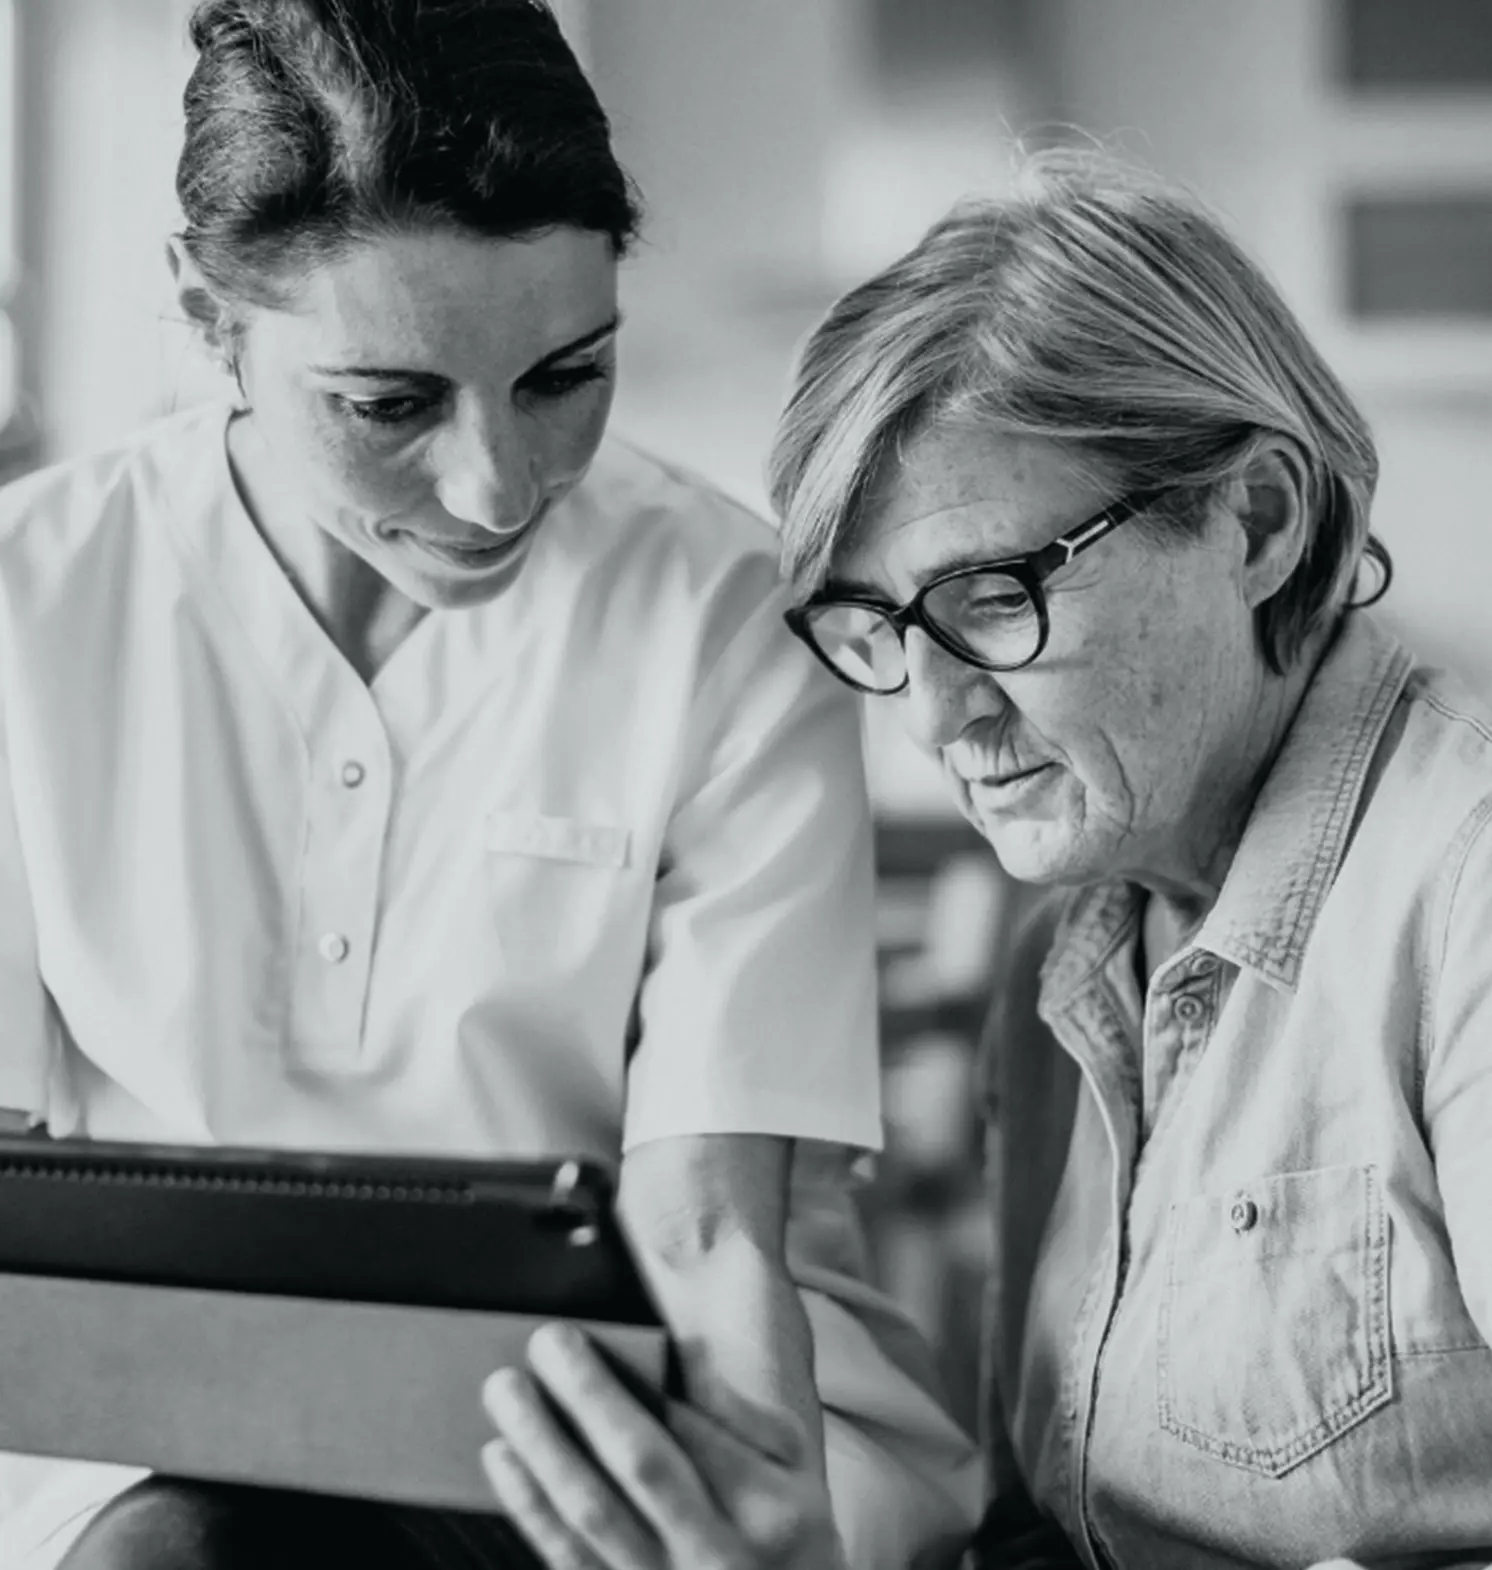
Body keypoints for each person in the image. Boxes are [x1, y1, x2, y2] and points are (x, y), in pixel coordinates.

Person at [0, 2, 980, 1567]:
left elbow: (710, 1214)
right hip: (164, 1448)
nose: (496, 485)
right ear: (206, 309)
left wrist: (758, 1510)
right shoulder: (28, 605)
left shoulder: (726, 609)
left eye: (565, 376)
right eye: (389, 405)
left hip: (651, 1397)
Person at [475, 152, 1492, 1569]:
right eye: (883, 627)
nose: (935, 713)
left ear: (1256, 520)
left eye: (992, 599)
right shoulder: (1066, 965)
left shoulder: (1466, 889)